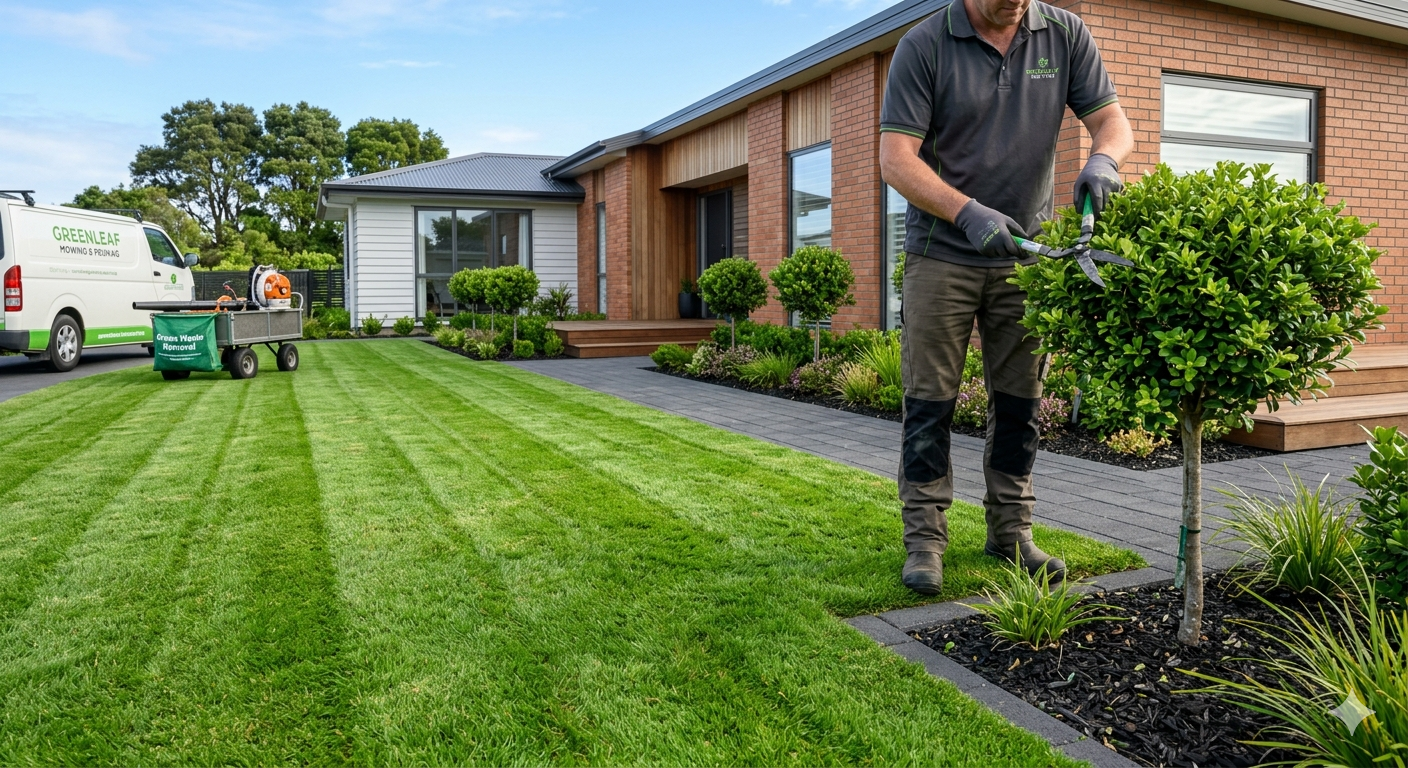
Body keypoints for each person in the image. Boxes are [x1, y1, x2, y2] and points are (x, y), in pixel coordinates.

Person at [878, 0, 1133, 595]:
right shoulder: (927, 43)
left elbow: (1113, 122)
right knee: (929, 404)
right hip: (942, 253)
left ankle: (1011, 532)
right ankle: (924, 541)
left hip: (1028, 258)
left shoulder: (1063, 33)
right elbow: (895, 160)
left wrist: (1102, 159)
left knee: (1020, 403)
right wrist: (966, 213)